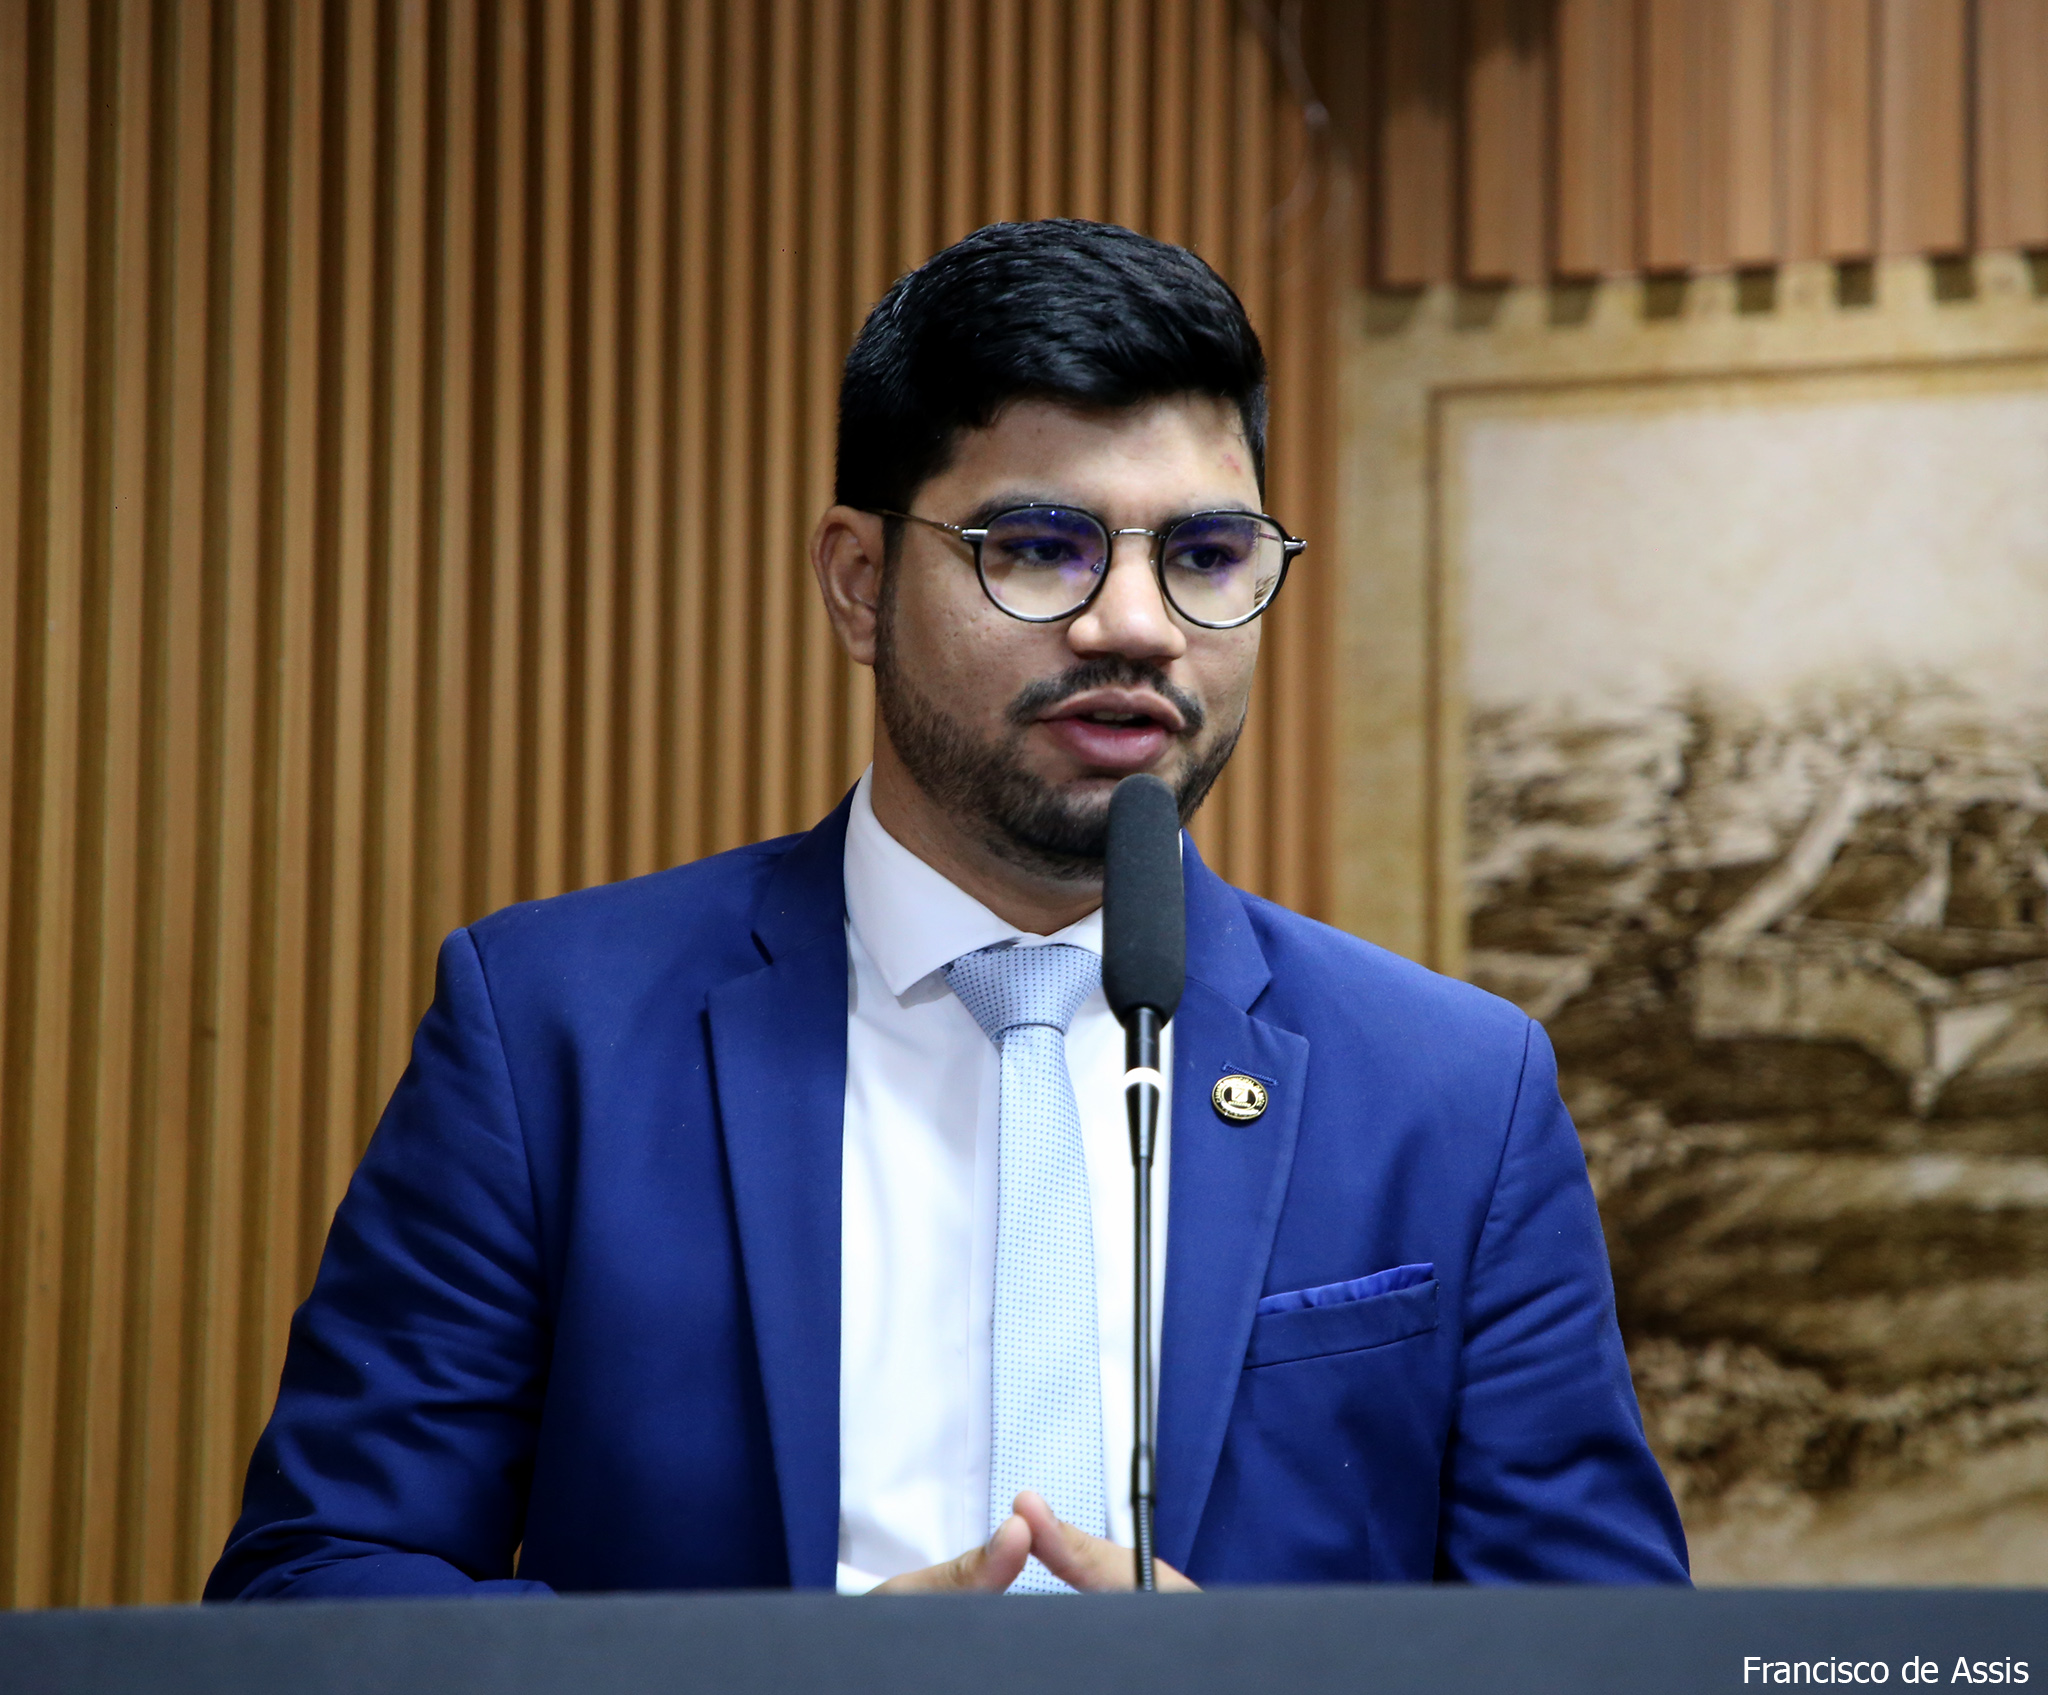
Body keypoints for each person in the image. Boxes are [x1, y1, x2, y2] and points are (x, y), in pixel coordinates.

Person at [207, 220, 1689, 1600]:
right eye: (1038, 546)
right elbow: (319, 1588)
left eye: (1205, 557)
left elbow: (1607, 1656)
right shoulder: (553, 1034)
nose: (1135, 626)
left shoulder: (1453, 1089)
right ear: (860, 584)